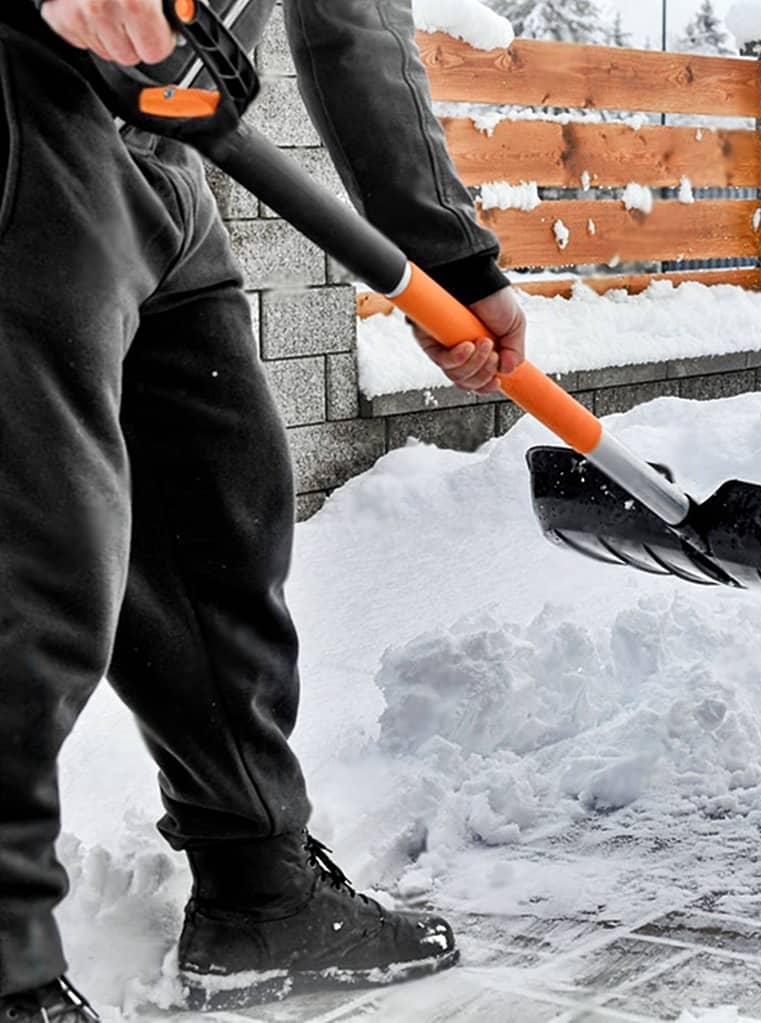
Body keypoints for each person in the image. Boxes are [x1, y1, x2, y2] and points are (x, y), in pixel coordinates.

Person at [0, 0, 526, 1017]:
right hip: (22, 88)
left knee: (217, 526)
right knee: (33, 561)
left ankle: (259, 887)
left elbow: (354, 19)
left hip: (154, 145)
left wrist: (451, 257)